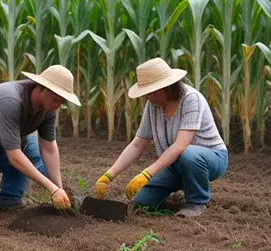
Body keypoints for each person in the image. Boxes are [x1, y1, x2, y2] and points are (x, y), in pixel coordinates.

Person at [94, 58, 228, 217]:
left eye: (152, 92)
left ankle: (196, 203)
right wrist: (109, 175)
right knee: (141, 204)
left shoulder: (191, 99)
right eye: (146, 93)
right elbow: (138, 144)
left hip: (210, 159)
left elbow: (180, 146)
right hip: (174, 164)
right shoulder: (152, 107)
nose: (148, 97)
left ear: (167, 87)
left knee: (189, 155)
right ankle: (172, 200)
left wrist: (146, 174)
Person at [0, 64, 81, 218]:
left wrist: (59, 188)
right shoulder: (10, 99)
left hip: (6, 142)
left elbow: (49, 148)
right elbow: (14, 155)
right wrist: (52, 189)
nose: (57, 106)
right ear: (41, 88)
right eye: (55, 100)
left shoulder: (48, 110)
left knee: (34, 154)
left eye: (61, 102)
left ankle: (9, 199)